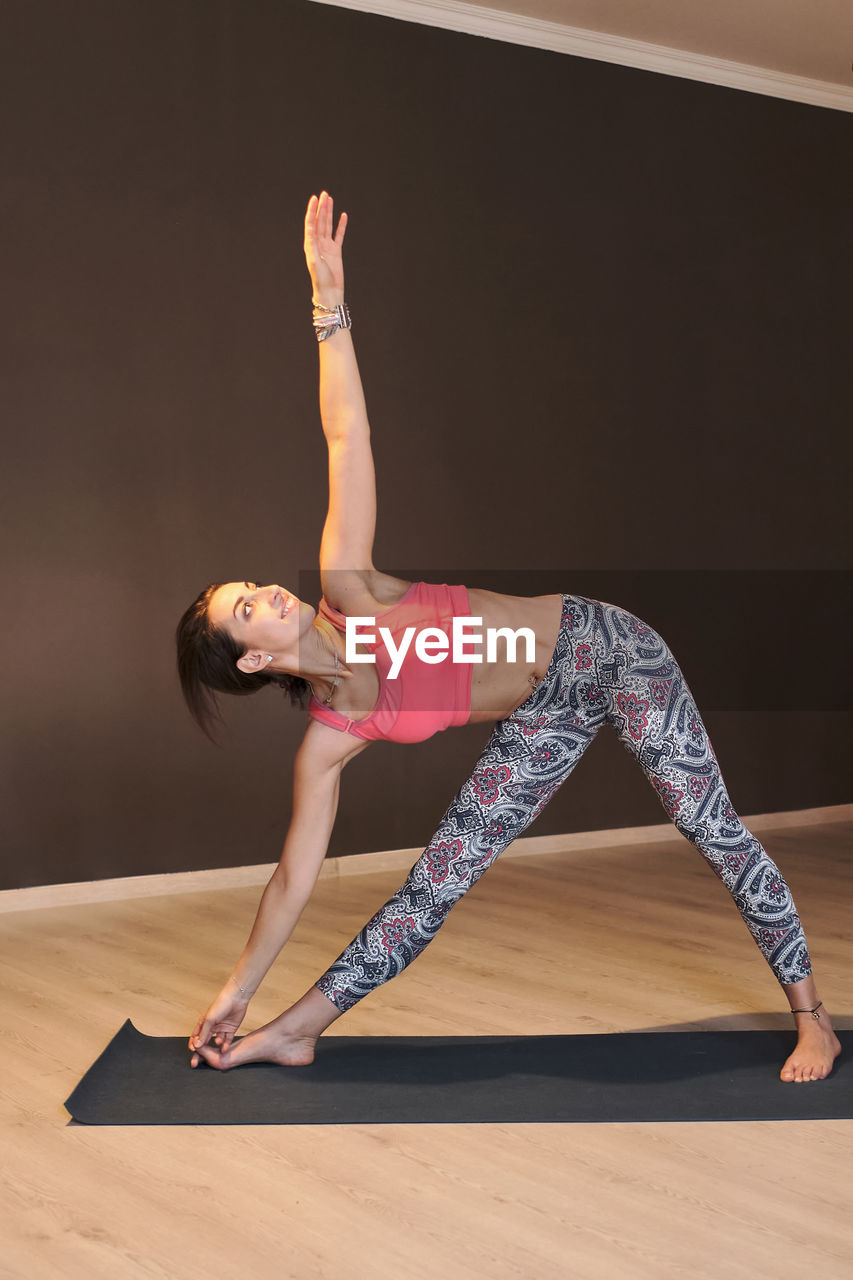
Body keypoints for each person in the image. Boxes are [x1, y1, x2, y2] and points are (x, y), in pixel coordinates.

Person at [177, 191, 840, 1085]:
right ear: (254, 660)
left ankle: (813, 1020)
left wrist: (326, 307)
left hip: (605, 649)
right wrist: (236, 989)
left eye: (250, 586)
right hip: (542, 714)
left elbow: (347, 435)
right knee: (434, 885)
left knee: (706, 825)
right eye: (244, 610)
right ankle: (295, 1030)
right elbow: (292, 883)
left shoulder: (349, 588)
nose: (262, 592)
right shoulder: (328, 743)